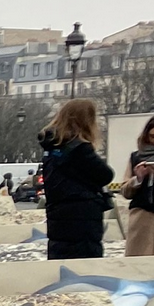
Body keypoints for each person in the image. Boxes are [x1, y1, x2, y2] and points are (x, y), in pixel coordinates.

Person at [42, 98, 114, 261]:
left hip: (57, 214)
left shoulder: (51, 147)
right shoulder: (80, 148)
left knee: (60, 257)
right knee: (85, 261)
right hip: (82, 216)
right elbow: (106, 175)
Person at [123, 112, 154, 257]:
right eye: (153, 136)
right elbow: (125, 191)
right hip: (141, 221)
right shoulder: (136, 156)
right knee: (138, 268)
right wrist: (137, 179)